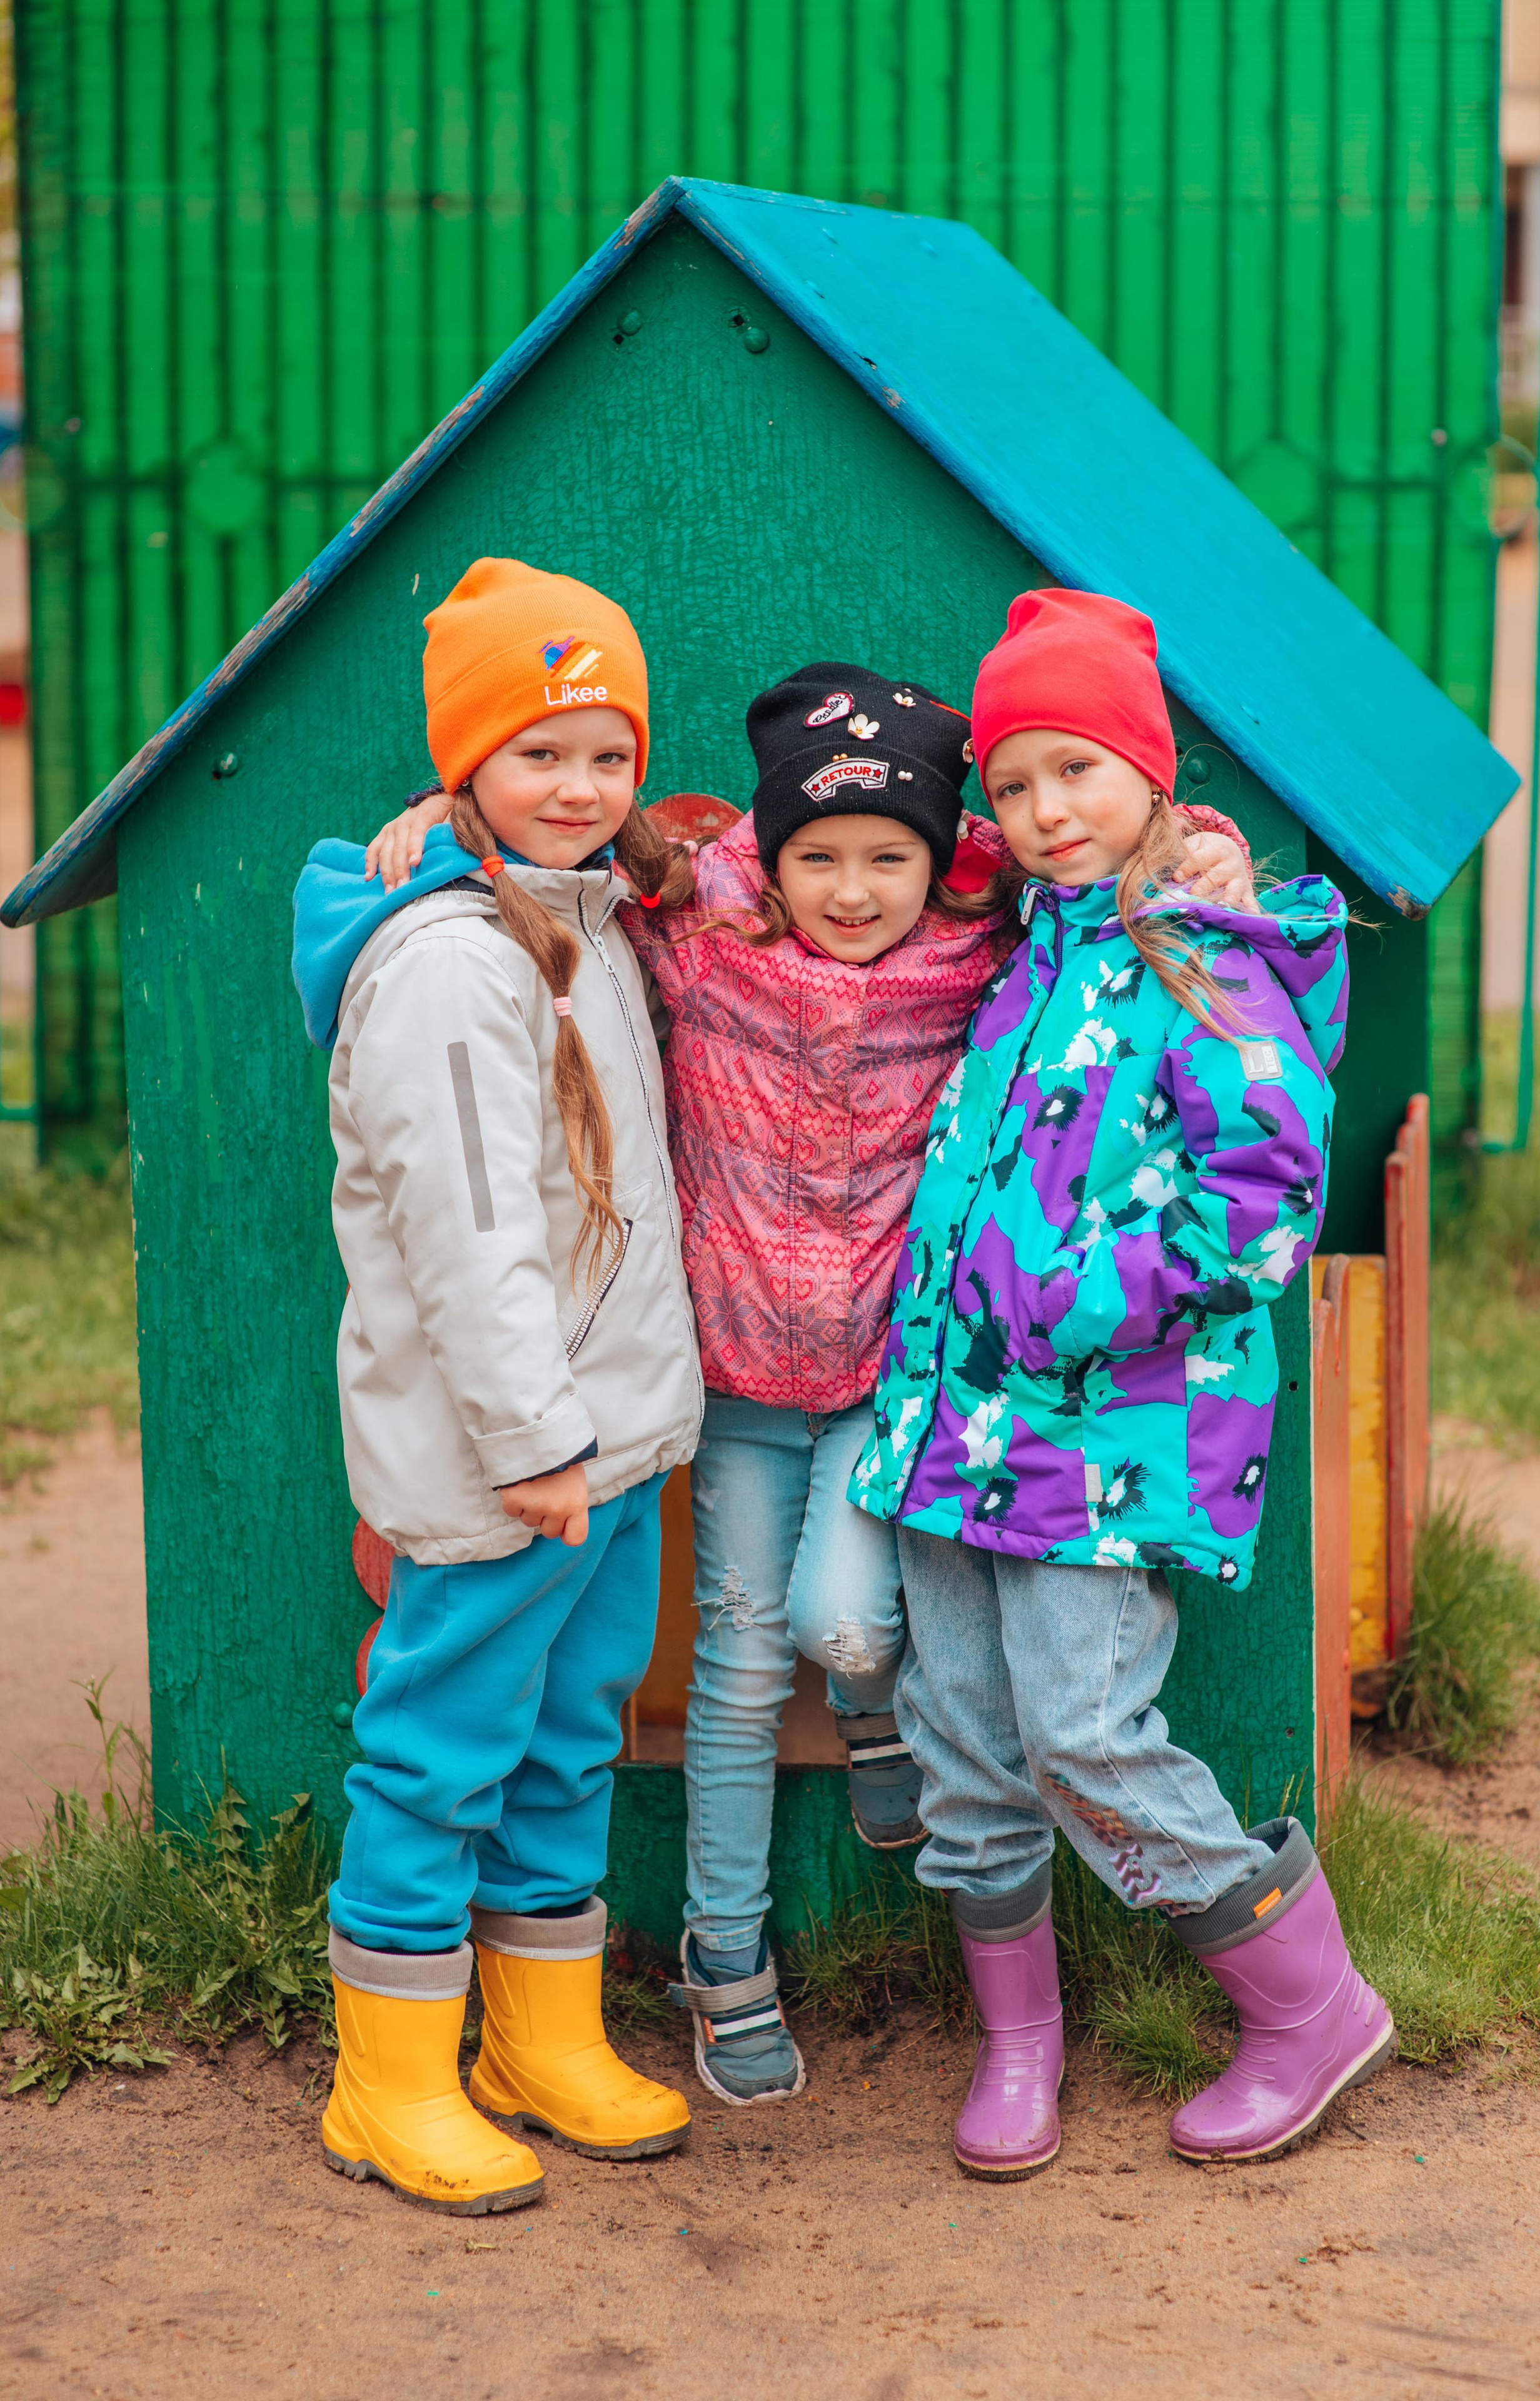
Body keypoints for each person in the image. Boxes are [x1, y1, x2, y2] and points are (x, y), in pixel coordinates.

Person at [375, 655, 1254, 2112]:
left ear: (935, 858)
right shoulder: (706, 938)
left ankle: (874, 1714)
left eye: (887, 858)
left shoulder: (980, 945)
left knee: (844, 1625)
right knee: (733, 1667)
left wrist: (1198, 844)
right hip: (730, 1384)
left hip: (876, 1386)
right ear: (770, 862)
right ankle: (725, 1963)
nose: (853, 891)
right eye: (819, 858)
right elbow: (580, 826)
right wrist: (441, 811)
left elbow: (1092, 843)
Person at [848, 588, 1392, 2178]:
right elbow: (827, 839)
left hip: (1104, 1433)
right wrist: (450, 810)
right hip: (956, 1428)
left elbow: (1263, 1198)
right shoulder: (1034, 941)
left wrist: (1076, 1302)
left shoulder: (1207, 953)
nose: (1040, 815)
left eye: (1075, 772)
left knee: (1082, 1730)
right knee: (957, 1729)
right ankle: (1018, 2041)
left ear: (1151, 774)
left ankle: (1307, 2004)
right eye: (1011, 787)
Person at [289, 559, 703, 2213]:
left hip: (601, 1454)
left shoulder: (588, 913)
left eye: (608, 752)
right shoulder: (458, 967)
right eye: (540, 754)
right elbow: (468, 1236)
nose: (582, 787)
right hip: (507, 1472)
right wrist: (537, 1443)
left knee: (566, 1740)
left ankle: (538, 2040)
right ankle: (387, 2079)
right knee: (444, 1751)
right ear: (464, 768)